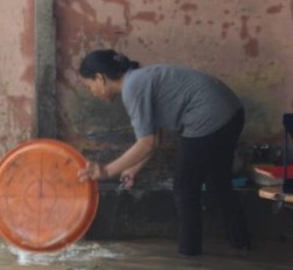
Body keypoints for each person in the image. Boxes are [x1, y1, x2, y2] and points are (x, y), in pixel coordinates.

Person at [77, 49, 250, 256]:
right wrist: (134, 168)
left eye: (90, 86)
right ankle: (242, 245)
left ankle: (189, 255)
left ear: (100, 78)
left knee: (185, 188)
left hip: (208, 116)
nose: (92, 93)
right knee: (218, 183)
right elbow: (155, 139)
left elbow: (147, 142)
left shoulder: (133, 88)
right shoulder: (139, 80)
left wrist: (106, 171)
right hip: (231, 112)